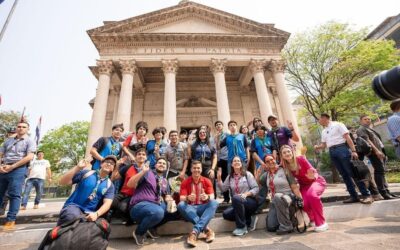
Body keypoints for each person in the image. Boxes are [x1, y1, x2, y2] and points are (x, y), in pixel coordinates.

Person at [314, 113, 373, 204]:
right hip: (332, 151)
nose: (319, 121)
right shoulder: (323, 131)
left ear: (325, 118)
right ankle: (354, 196)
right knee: (344, 175)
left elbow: (347, 137)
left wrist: (353, 151)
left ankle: (366, 195)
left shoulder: (338, 124)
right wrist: (318, 147)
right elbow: (324, 145)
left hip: (342, 149)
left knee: (353, 172)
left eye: (319, 119)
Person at [127, 152, 173, 246]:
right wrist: (142, 172)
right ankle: (139, 232)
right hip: (139, 206)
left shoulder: (165, 181)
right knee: (158, 211)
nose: (162, 165)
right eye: (160, 162)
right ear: (155, 165)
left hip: (155, 206)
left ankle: (151, 227)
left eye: (164, 164)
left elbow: (167, 196)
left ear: (166, 168)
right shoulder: (147, 172)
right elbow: (130, 184)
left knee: (174, 210)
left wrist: (169, 199)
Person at [280, 145, 328, 232]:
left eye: (288, 151)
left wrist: (312, 176)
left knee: (312, 195)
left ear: (292, 152)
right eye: (284, 152)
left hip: (315, 181)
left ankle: (321, 223)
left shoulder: (301, 159)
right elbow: (294, 185)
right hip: (304, 186)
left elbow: (313, 171)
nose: (287, 153)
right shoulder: (286, 168)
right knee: (304, 203)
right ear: (282, 156)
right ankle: (313, 219)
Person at [57, 155, 116, 226]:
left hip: (89, 214)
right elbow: (63, 182)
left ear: (113, 169)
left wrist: (96, 214)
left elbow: (107, 204)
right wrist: (77, 168)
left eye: (112, 163)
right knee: (72, 217)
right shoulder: (86, 173)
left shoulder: (110, 185)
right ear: (101, 164)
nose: (109, 164)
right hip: (73, 207)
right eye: (107, 161)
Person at [0, 121, 36, 230]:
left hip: (18, 169)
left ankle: (11, 220)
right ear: (16, 128)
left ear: (27, 129)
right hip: (4, 168)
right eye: (19, 126)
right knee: (0, 193)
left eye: (23, 127)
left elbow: (29, 157)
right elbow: (1, 154)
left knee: (14, 194)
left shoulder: (30, 141)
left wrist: (13, 166)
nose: (20, 128)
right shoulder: (8, 141)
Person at [259, 155, 303, 235]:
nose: (270, 162)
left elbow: (294, 186)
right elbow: (258, 183)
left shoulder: (284, 170)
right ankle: (291, 220)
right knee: (271, 227)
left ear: (275, 159)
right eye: (267, 161)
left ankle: (286, 226)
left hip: (288, 197)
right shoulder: (266, 175)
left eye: (271, 159)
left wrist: (300, 199)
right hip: (275, 202)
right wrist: (258, 173)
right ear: (265, 164)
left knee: (278, 196)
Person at [178, 161, 218, 247]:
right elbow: (181, 198)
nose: (196, 170)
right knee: (181, 205)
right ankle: (206, 230)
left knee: (214, 202)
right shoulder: (185, 182)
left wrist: (207, 197)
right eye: (194, 168)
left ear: (201, 169)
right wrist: (188, 198)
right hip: (190, 208)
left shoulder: (207, 181)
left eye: (198, 168)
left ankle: (194, 232)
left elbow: (212, 196)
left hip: (203, 208)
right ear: (191, 169)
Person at [217, 156, 259, 236]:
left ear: (241, 163)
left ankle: (241, 227)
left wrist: (246, 194)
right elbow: (223, 189)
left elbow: (256, 188)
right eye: (234, 161)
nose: (236, 162)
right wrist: (219, 179)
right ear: (232, 164)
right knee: (226, 214)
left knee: (236, 198)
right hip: (237, 204)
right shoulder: (230, 177)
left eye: (238, 161)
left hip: (249, 201)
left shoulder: (247, 174)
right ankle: (249, 219)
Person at [357, 115, 395, 199]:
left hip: (380, 151)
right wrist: (377, 151)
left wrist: (382, 152)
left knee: (382, 172)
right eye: (365, 119)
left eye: (369, 119)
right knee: (379, 171)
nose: (367, 120)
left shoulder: (369, 129)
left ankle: (387, 191)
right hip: (374, 152)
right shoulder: (361, 129)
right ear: (361, 121)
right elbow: (367, 141)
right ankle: (383, 192)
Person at [214, 120, 230, 203]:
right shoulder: (216, 136)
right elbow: (217, 148)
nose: (218, 126)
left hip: (227, 158)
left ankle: (233, 195)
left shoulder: (227, 134)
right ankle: (226, 197)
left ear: (222, 126)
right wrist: (216, 139)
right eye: (217, 125)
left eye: (220, 124)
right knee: (222, 177)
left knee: (229, 176)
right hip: (220, 159)